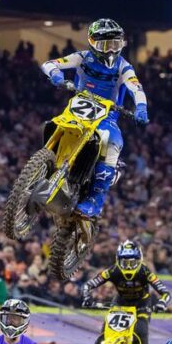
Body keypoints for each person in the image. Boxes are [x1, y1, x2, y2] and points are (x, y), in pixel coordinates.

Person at [40, 19, 148, 216]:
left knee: (111, 141)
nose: (110, 50)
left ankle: (95, 200)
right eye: (105, 45)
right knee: (53, 123)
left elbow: (136, 88)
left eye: (115, 44)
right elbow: (49, 64)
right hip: (78, 106)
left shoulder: (124, 66)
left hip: (107, 115)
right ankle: (43, 166)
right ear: (92, 43)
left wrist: (141, 107)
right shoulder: (83, 57)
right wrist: (56, 75)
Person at [81, 241, 170, 344]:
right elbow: (89, 284)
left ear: (139, 260)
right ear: (118, 260)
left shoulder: (144, 271)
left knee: (141, 330)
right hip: (120, 302)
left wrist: (161, 303)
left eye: (132, 262)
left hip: (141, 304)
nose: (128, 266)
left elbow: (165, 292)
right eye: (125, 262)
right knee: (106, 331)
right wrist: (87, 297)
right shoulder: (113, 270)